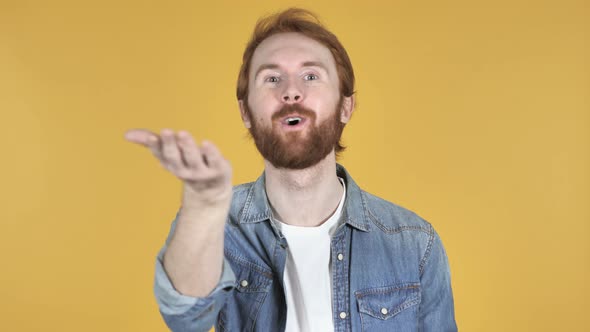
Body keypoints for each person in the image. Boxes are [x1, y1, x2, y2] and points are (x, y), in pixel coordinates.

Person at [125, 8, 457, 332]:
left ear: (346, 106)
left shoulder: (413, 243)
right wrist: (203, 206)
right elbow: (185, 317)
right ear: (245, 111)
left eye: (311, 76)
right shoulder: (214, 222)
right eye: (271, 78)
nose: (291, 91)